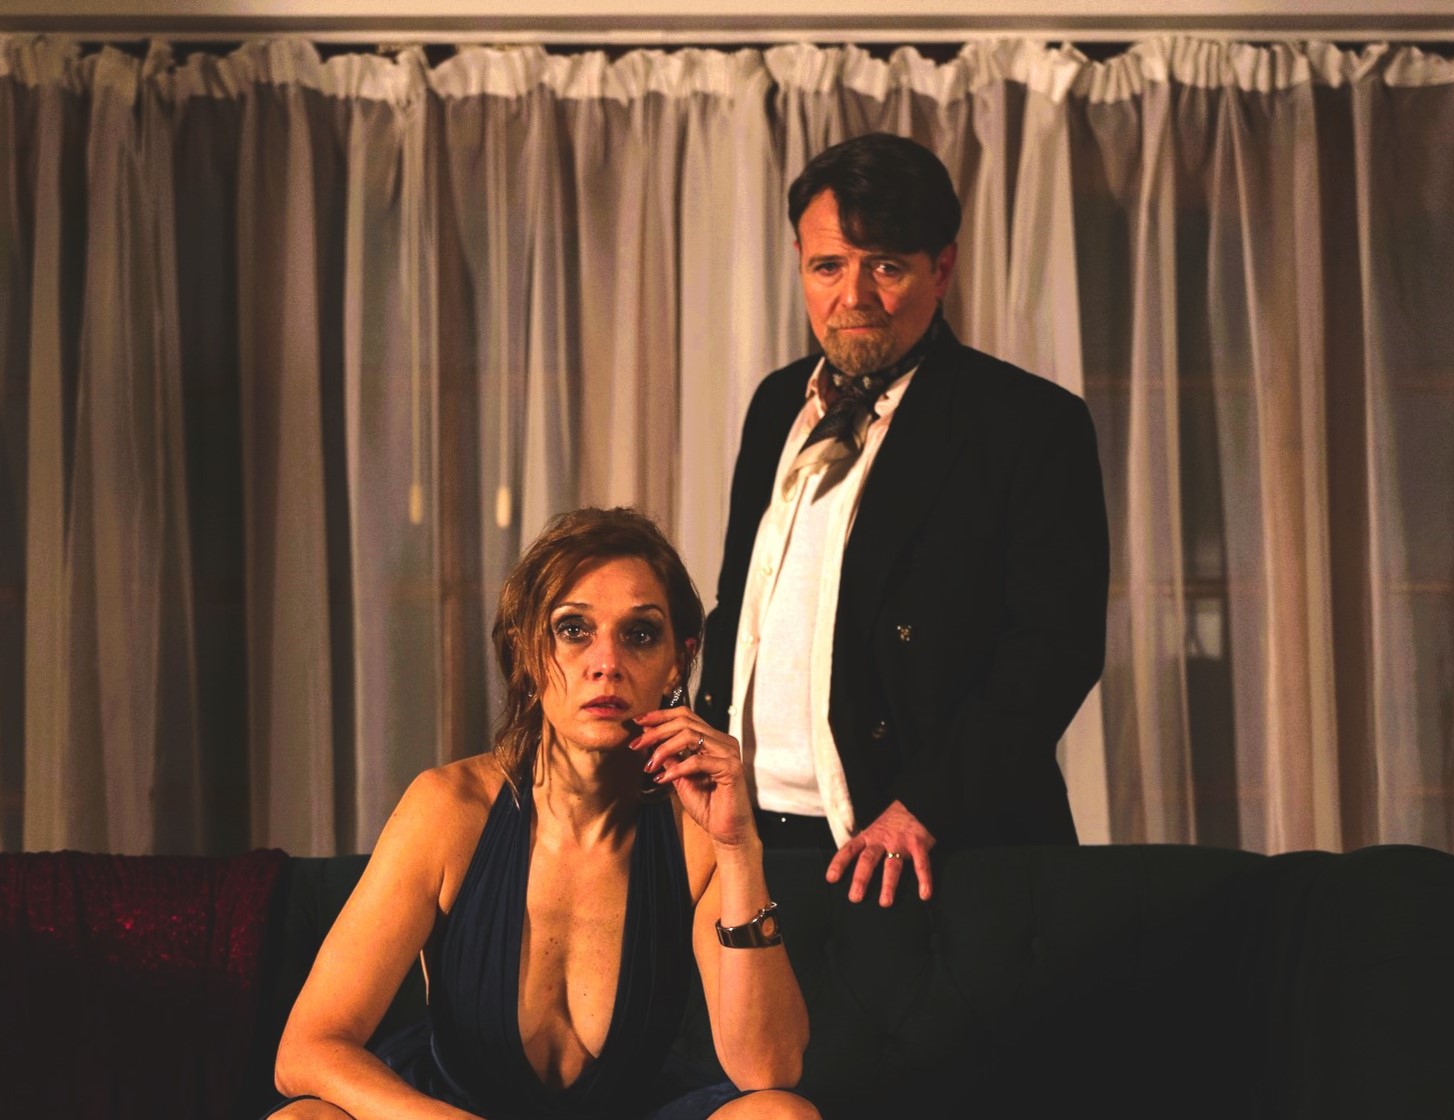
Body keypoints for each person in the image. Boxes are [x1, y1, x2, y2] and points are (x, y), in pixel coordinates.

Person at [267, 507, 817, 1120]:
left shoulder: (698, 832)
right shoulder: (449, 809)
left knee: (781, 1115)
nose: (606, 662)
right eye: (574, 629)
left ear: (675, 663)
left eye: (639, 634)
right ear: (527, 651)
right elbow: (306, 1049)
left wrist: (739, 849)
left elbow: (768, 1070)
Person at [695, 132, 1109, 909]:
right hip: (751, 839)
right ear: (799, 263)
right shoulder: (775, 405)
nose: (852, 296)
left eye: (884, 266)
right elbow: (738, 608)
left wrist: (922, 807)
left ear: (939, 269)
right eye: (828, 266)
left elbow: (1054, 649)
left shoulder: (1025, 423)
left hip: (926, 849)